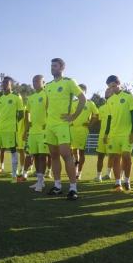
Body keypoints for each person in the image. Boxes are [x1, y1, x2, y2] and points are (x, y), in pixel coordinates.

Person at [45, 58, 86, 200]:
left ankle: (73, 188)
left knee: (66, 155)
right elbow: (47, 104)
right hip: (50, 125)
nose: (52, 68)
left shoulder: (69, 82)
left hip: (62, 125)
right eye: (51, 66)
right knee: (54, 156)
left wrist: (73, 116)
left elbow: (82, 99)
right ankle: (57, 186)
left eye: (55, 66)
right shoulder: (48, 86)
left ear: (62, 67)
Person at [0, 76, 24, 181]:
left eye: (7, 83)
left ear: (11, 85)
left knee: (13, 150)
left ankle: (14, 175)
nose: (4, 84)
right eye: (3, 83)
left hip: (10, 129)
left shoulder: (16, 97)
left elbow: (21, 113)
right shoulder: (0, 99)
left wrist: (13, 122)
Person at [103, 76, 133, 192]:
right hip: (113, 134)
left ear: (119, 84)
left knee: (127, 157)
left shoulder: (128, 96)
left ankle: (127, 180)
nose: (112, 89)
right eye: (109, 87)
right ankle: (118, 182)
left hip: (126, 133)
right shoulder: (109, 100)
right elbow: (109, 118)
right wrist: (106, 133)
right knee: (115, 158)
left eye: (113, 86)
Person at [70, 83, 99, 181]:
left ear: (85, 91)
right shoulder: (73, 103)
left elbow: (96, 115)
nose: (80, 91)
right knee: (73, 151)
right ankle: (74, 169)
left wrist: (90, 124)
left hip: (83, 130)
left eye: (82, 90)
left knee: (81, 152)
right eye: (78, 89)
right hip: (72, 129)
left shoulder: (90, 103)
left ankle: (79, 173)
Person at [25, 75, 49, 192]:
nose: (34, 83)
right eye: (33, 81)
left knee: (42, 156)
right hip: (33, 131)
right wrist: (27, 128)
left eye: (37, 81)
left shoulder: (47, 94)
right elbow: (27, 112)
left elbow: (50, 110)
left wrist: (47, 124)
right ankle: (40, 181)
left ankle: (40, 181)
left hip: (44, 131)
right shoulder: (31, 97)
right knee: (34, 155)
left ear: (43, 83)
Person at [94, 88, 114, 182]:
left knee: (113, 156)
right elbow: (100, 121)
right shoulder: (101, 108)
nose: (106, 92)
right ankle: (98, 176)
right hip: (102, 135)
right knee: (100, 156)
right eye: (106, 91)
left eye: (109, 91)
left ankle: (109, 174)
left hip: (113, 135)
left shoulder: (116, 106)